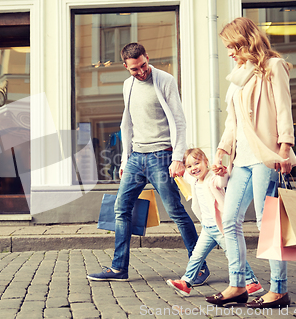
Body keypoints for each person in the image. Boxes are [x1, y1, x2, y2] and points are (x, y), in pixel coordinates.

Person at [87, 43, 210, 284]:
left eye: (143, 65)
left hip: (161, 157)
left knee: (175, 212)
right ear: (125, 67)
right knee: (121, 209)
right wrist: (125, 159)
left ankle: (199, 267)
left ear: (147, 58)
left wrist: (178, 158)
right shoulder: (127, 85)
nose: (141, 71)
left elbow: (179, 121)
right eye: (135, 69)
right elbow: (127, 122)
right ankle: (118, 268)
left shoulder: (165, 80)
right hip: (136, 158)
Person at [206, 17, 296, 308]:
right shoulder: (239, 75)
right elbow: (232, 121)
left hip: (265, 156)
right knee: (229, 220)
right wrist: (222, 151)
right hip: (241, 158)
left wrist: (284, 148)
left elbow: (284, 110)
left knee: (266, 221)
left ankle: (279, 289)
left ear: (245, 41)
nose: (229, 52)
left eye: (231, 46)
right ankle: (238, 285)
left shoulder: (273, 66)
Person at [166, 148, 263, 297]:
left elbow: (221, 182)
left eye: (197, 163)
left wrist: (221, 172)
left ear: (206, 162)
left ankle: (252, 282)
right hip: (207, 228)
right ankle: (186, 283)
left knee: (232, 253)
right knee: (196, 255)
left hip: (221, 226)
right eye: (189, 166)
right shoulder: (195, 182)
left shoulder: (212, 178)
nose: (194, 168)